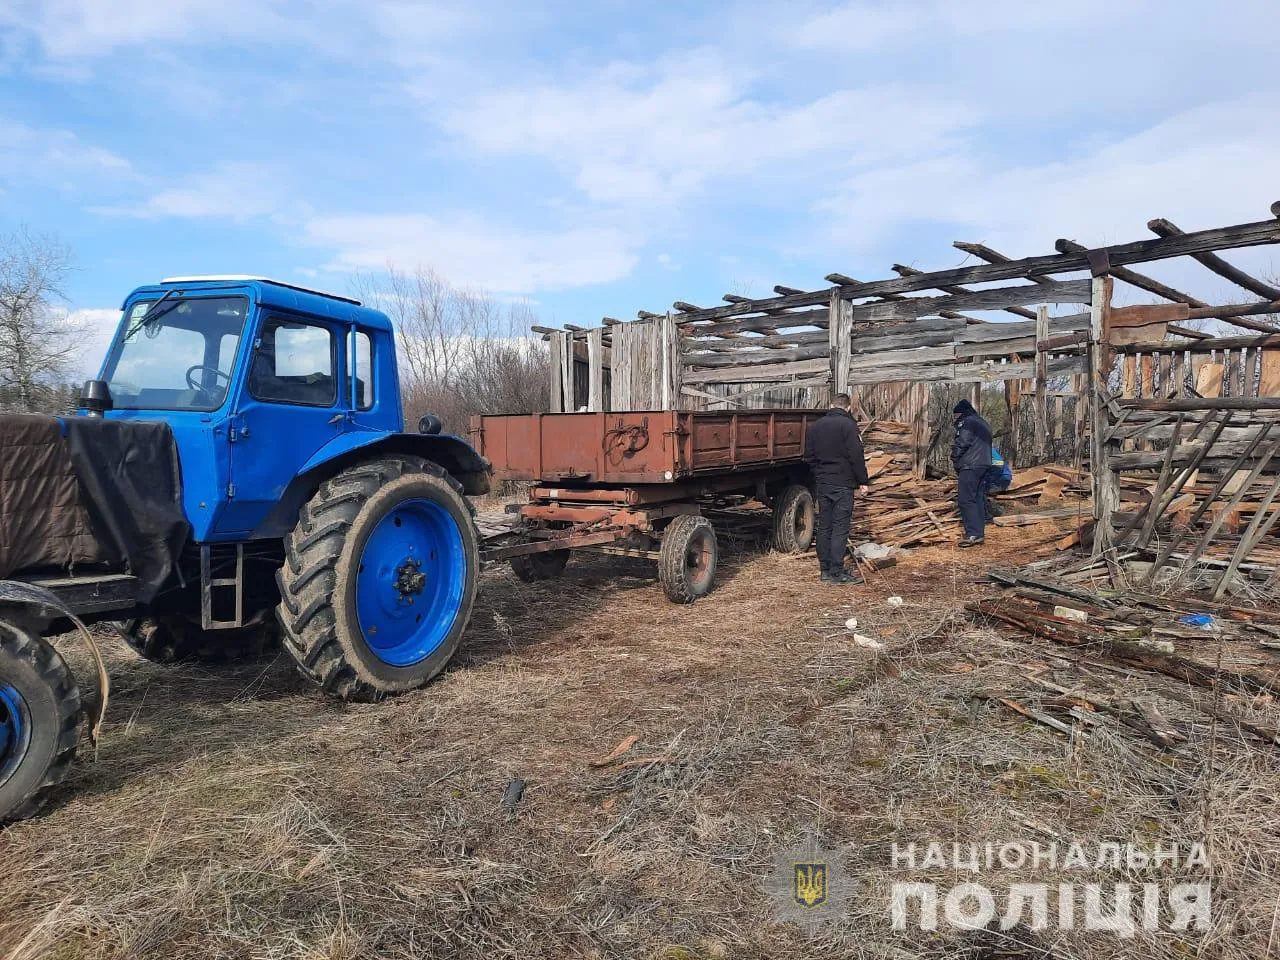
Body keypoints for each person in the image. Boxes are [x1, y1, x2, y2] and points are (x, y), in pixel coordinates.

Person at [803, 393, 870, 584]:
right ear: (848, 408)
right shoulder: (848, 425)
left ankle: (824, 570)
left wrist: (819, 475)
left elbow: (809, 456)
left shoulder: (816, 426)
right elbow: (856, 455)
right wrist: (863, 481)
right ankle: (837, 572)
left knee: (824, 526)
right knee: (840, 528)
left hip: (823, 483)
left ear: (830, 405)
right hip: (843, 482)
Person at [951, 398, 993, 547]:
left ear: (960, 413)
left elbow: (962, 442)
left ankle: (973, 534)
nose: (954, 419)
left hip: (970, 465)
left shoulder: (967, 423)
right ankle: (979, 532)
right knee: (978, 498)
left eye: (955, 416)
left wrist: (954, 457)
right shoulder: (982, 422)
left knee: (966, 499)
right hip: (984, 464)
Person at [983, 446, 1013, 521]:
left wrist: (988, 479)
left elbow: (998, 464)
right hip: (1001, 477)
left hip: (1000, 478)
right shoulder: (987, 449)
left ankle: (993, 513)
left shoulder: (987, 449)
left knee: (981, 494)